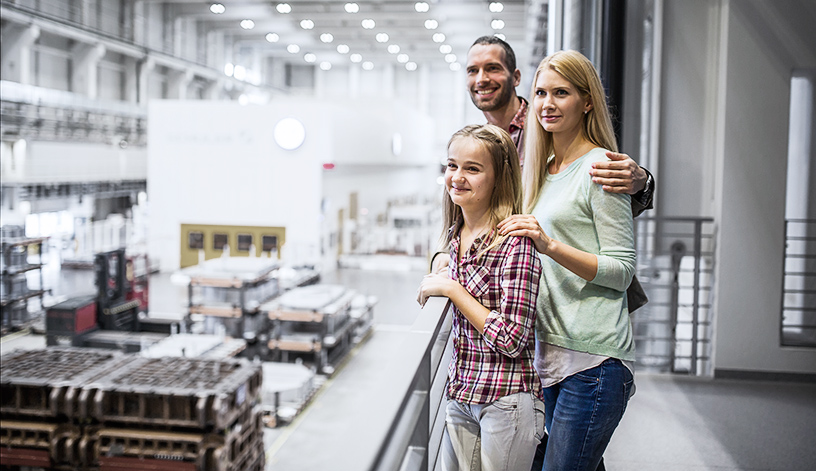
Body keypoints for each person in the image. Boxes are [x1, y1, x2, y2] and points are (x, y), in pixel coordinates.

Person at [431, 35, 651, 313]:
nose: (482, 79)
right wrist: (445, 255)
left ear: (516, 76)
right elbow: (470, 214)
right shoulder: (479, 144)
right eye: (473, 70)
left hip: (576, 306)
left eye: (493, 68)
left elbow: (595, 185)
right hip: (520, 302)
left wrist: (643, 180)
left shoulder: (553, 132)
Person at [498, 49, 637, 471]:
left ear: (587, 100)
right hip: (549, 354)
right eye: (540, 93)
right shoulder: (543, 169)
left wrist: (550, 244)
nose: (547, 103)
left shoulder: (600, 168)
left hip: (593, 361)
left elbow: (622, 271)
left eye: (562, 93)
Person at [417, 124, 545, 471]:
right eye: (452, 165)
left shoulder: (515, 245)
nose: (457, 177)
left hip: (506, 403)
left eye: (472, 169)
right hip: (462, 395)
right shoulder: (455, 236)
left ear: (499, 178)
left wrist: (453, 290)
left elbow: (513, 339)